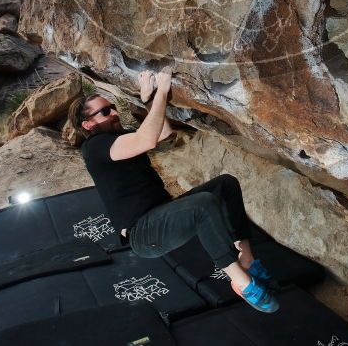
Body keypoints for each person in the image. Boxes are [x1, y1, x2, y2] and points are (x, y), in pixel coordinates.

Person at [69, 67, 279, 312]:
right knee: (203, 205)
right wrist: (163, 91)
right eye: (105, 111)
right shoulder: (94, 147)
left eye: (112, 106)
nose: (114, 112)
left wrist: (148, 98)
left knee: (225, 185)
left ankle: (248, 261)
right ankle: (242, 283)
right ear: (88, 123)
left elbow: (164, 134)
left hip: (162, 212)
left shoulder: (119, 137)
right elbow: (146, 140)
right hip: (144, 234)